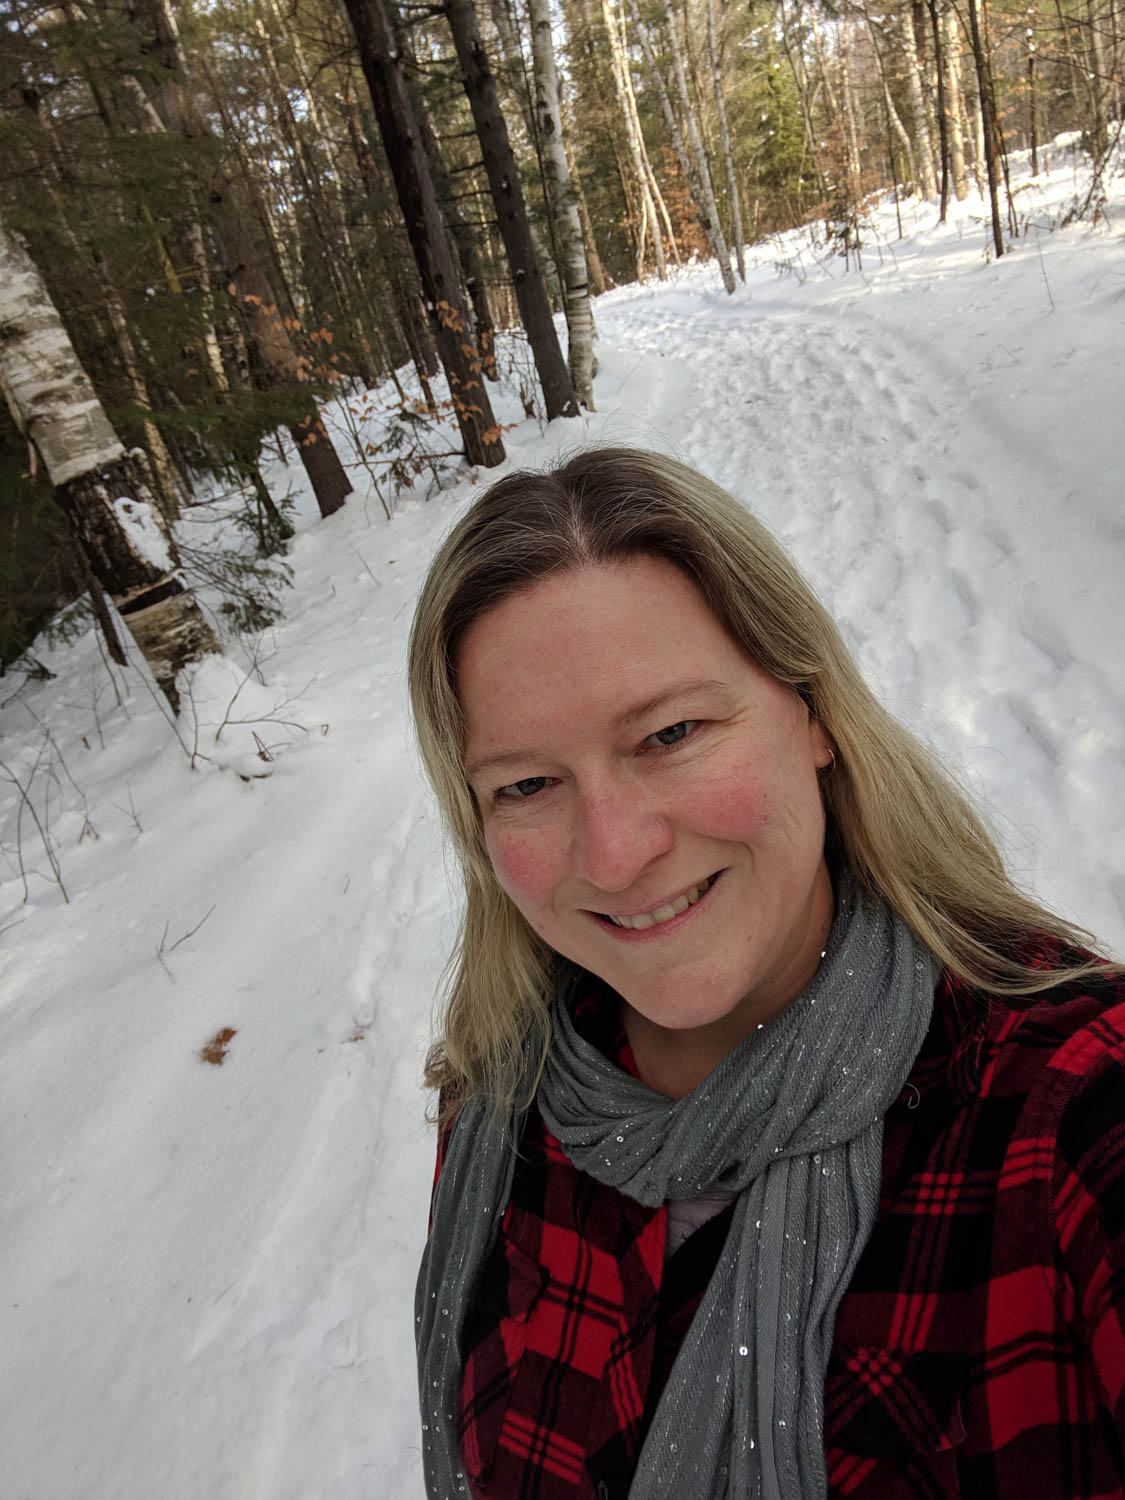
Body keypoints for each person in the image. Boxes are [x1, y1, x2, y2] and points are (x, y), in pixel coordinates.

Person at [408, 447, 1125, 1500]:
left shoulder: (1069, 1108)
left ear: (813, 712)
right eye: (525, 785)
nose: (614, 855)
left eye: (670, 732)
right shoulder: (498, 1104)